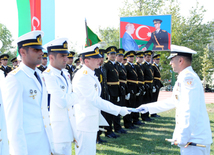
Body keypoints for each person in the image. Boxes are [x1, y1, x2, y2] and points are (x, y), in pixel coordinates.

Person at [137, 45, 212, 155]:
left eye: (172, 59)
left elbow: (190, 109)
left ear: (180, 60)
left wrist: (183, 136)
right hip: (192, 139)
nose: (170, 63)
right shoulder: (184, 77)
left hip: (194, 139)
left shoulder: (188, 78)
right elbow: (173, 101)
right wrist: (148, 107)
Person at [2, 31, 55, 155]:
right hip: (28, 148)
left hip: (44, 145)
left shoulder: (39, 75)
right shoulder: (14, 79)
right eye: (35, 50)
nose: (41, 53)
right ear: (22, 52)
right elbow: (13, 125)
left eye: (40, 49)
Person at [72, 44, 130, 155]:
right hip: (84, 123)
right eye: (96, 58)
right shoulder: (83, 76)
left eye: (99, 57)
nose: (100, 60)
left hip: (91, 121)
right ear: (85, 60)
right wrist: (118, 109)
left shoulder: (91, 74)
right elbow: (95, 100)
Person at [42, 38, 78, 155]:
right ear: (51, 57)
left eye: (66, 56)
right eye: (62, 56)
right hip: (56, 130)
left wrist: (71, 97)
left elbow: (67, 100)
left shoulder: (66, 73)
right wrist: (77, 96)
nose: (66, 59)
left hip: (68, 127)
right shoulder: (48, 75)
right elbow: (61, 102)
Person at [102, 46, 120, 138]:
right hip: (109, 90)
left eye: (114, 54)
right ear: (107, 55)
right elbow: (105, 80)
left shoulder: (116, 64)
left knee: (115, 110)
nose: (113, 56)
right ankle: (108, 131)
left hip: (116, 90)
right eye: (111, 54)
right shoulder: (105, 65)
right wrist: (107, 92)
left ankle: (116, 128)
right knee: (108, 112)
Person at [94, 49, 108, 144]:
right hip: (96, 97)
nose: (101, 60)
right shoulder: (94, 70)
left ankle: (98, 136)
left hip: (103, 95)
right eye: (99, 58)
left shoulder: (102, 69)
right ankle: (96, 137)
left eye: (102, 58)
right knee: (96, 117)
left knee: (100, 116)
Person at [123, 51, 139, 129]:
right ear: (127, 58)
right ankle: (127, 123)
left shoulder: (134, 66)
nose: (132, 58)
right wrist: (128, 91)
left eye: (133, 57)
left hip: (134, 87)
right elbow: (126, 80)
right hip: (130, 87)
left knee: (133, 105)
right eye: (130, 57)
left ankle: (132, 122)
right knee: (128, 106)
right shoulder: (126, 66)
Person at [134, 52, 145, 125]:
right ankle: (135, 119)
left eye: (142, 57)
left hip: (141, 85)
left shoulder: (141, 66)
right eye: (139, 58)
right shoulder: (135, 66)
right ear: (136, 58)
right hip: (136, 86)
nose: (141, 59)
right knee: (136, 104)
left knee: (140, 103)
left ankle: (137, 118)